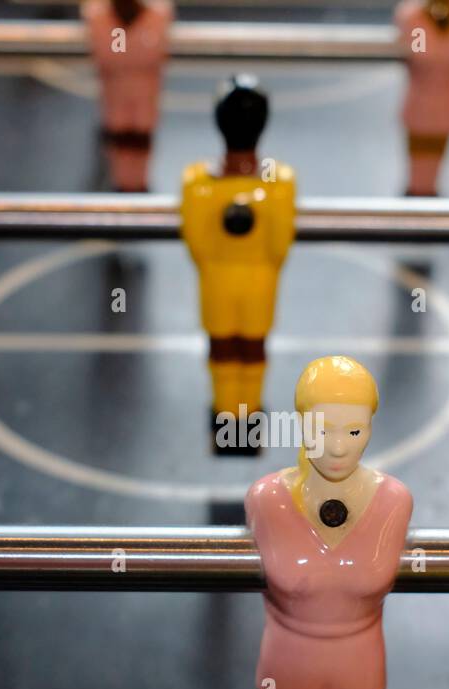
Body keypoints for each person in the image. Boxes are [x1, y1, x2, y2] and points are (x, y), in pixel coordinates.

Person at [246, 356, 414, 689]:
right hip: (289, 657)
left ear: (371, 427)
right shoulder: (265, 500)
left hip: (357, 659)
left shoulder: (394, 501)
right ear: (300, 423)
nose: (339, 447)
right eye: (322, 429)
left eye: (355, 429)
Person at [180, 76, 295, 452]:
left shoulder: (196, 183)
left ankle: (225, 416)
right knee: (253, 348)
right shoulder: (280, 184)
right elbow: (280, 245)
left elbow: (196, 244)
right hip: (261, 280)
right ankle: (248, 419)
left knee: (222, 348)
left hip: (216, 279)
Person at [82, 0, 173, 192]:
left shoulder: (158, 15)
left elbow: (117, 53)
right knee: (123, 149)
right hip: (119, 106)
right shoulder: (99, 16)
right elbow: (117, 52)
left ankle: (134, 191)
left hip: (140, 105)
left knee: (136, 146)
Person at [395, 0, 449, 196]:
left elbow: (422, 54)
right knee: (419, 167)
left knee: (432, 167)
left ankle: (423, 199)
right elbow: (424, 54)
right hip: (428, 104)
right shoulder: (415, 18)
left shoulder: (414, 17)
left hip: (438, 104)